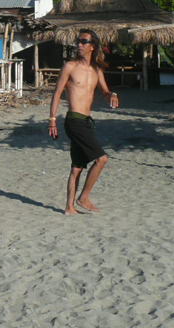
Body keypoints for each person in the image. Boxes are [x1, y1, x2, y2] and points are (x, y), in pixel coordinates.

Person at [48, 29, 119, 215]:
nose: (79, 44)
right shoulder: (70, 66)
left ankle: (69, 208)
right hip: (74, 120)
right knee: (102, 159)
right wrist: (52, 120)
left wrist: (112, 95)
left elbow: (105, 91)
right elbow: (57, 93)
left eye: (84, 41)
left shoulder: (97, 70)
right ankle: (84, 197)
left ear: (92, 46)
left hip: (87, 121)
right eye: (78, 41)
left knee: (77, 167)